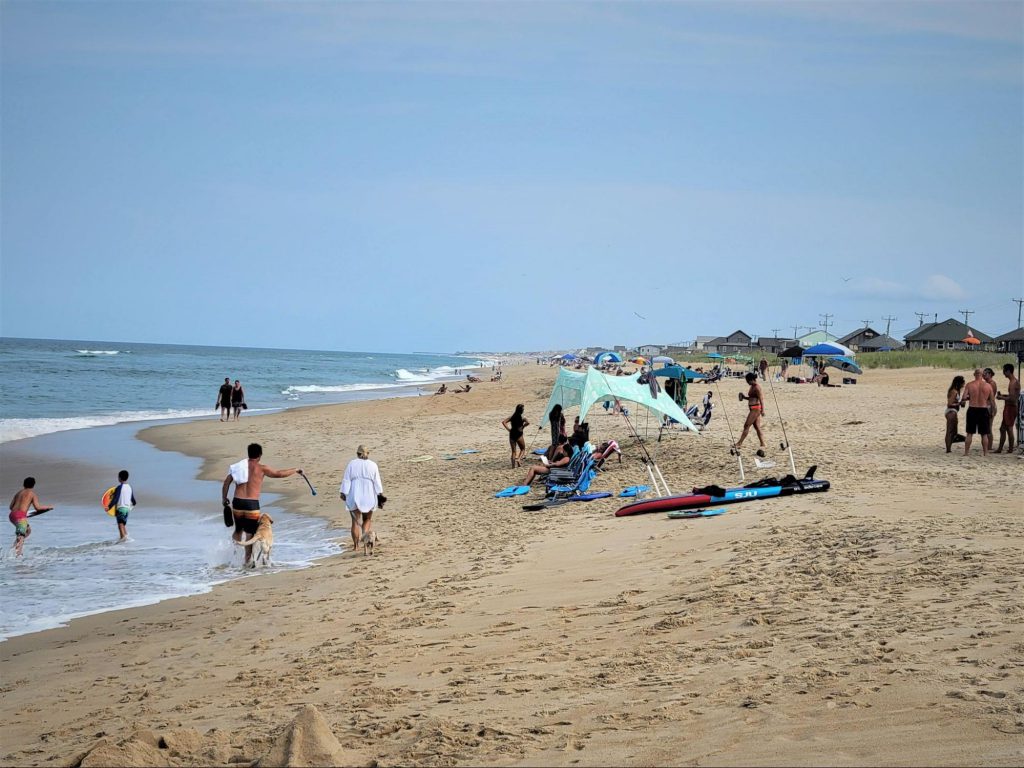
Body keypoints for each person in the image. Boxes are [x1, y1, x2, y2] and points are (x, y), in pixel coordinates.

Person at [222, 443, 304, 566]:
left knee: (238, 529)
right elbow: (278, 474)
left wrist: (224, 498)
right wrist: (295, 470)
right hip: (251, 504)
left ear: (248, 454)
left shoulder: (239, 467)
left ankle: (233, 557)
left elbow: (226, 483)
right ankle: (247, 560)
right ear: (260, 455)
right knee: (250, 532)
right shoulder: (262, 468)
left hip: (238, 502)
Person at [340, 445, 384, 553]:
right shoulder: (373, 465)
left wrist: (343, 492)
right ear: (367, 454)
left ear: (357, 454)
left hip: (355, 493)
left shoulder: (352, 464)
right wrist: (380, 494)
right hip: (369, 494)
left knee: (355, 521)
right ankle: (366, 540)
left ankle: (356, 546)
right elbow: (377, 482)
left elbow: (347, 480)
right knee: (367, 519)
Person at [8, 477, 53, 557]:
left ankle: (14, 547)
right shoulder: (32, 494)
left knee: (27, 531)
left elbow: (11, 507)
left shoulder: (18, 493)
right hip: (20, 517)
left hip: (12, 515)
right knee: (21, 535)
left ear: (23, 484)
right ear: (33, 485)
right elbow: (37, 508)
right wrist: (48, 507)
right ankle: (18, 555)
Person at [961, 368, 994, 456]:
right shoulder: (988, 386)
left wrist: (969, 398)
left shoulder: (969, 385)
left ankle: (966, 452)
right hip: (983, 409)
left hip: (972, 409)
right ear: (982, 375)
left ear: (974, 374)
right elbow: (992, 401)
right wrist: (992, 412)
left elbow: (964, 397)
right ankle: (986, 452)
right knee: (984, 434)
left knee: (969, 433)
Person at [734, 372, 767, 456]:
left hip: (756, 409)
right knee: (757, 427)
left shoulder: (757, 388)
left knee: (746, 425)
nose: (747, 382)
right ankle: (763, 443)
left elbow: (761, 399)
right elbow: (752, 398)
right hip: (752, 408)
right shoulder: (752, 386)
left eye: (748, 381)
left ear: (751, 380)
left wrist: (763, 410)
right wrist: (744, 397)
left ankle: (739, 443)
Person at [106, 469, 137, 542]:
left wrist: (109, 507)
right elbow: (133, 500)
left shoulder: (119, 487)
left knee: (120, 525)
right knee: (123, 525)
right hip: (127, 509)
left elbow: (115, 499)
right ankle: (126, 538)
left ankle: (123, 540)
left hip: (121, 508)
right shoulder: (129, 487)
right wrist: (131, 506)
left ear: (119, 478)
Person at [995, 363, 1020, 454]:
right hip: (1009, 407)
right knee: (1002, 428)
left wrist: (1001, 398)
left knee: (1009, 428)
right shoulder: (1013, 381)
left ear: (1008, 371)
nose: (1003, 373)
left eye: (1004, 371)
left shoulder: (1013, 383)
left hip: (1011, 408)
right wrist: (1004, 396)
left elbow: (1013, 398)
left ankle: (1010, 449)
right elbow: (1012, 396)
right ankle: (1000, 449)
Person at [944, 375, 966, 453]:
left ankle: (949, 447)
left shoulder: (956, 390)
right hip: (951, 412)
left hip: (953, 412)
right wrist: (959, 404)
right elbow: (949, 404)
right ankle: (948, 449)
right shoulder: (954, 391)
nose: (964, 384)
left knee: (953, 431)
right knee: (950, 431)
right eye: (963, 383)